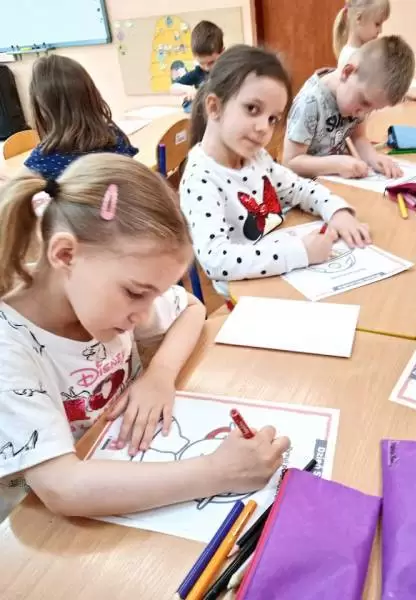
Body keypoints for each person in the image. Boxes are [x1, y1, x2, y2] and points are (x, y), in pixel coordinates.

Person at [0, 153, 289, 520]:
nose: (143, 314)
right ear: (66, 254)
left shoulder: (104, 292)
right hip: (33, 523)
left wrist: (160, 374)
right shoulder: (9, 347)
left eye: (154, 295)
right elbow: (61, 489)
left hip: (118, 462)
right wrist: (219, 472)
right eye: (136, 293)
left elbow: (191, 308)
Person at [180, 45, 370, 298]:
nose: (263, 128)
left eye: (273, 119)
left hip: (284, 273)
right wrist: (300, 252)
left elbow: (299, 188)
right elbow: (216, 260)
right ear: (214, 107)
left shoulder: (256, 158)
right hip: (249, 295)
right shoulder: (200, 179)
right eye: (252, 109)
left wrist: (337, 211)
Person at [283, 35, 415, 179]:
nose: (361, 115)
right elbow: (290, 163)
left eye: (372, 110)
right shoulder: (310, 102)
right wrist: (336, 164)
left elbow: (358, 137)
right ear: (347, 72)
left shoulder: (359, 98)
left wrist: (373, 157)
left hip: (336, 181)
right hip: (307, 185)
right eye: (364, 102)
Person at [24, 55, 138, 179]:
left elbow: (17, 187)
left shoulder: (42, 160)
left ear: (42, 108)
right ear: (92, 96)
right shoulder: (116, 139)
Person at [334, 0, 416, 101]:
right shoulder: (351, 57)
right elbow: (372, 94)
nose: (380, 31)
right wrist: (406, 93)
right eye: (377, 24)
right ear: (359, 18)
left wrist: (406, 93)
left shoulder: (361, 54)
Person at [170, 20, 224, 109]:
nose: (206, 68)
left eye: (211, 62)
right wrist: (188, 89)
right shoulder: (198, 72)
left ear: (222, 52)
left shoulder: (229, 70)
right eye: (201, 63)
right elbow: (173, 88)